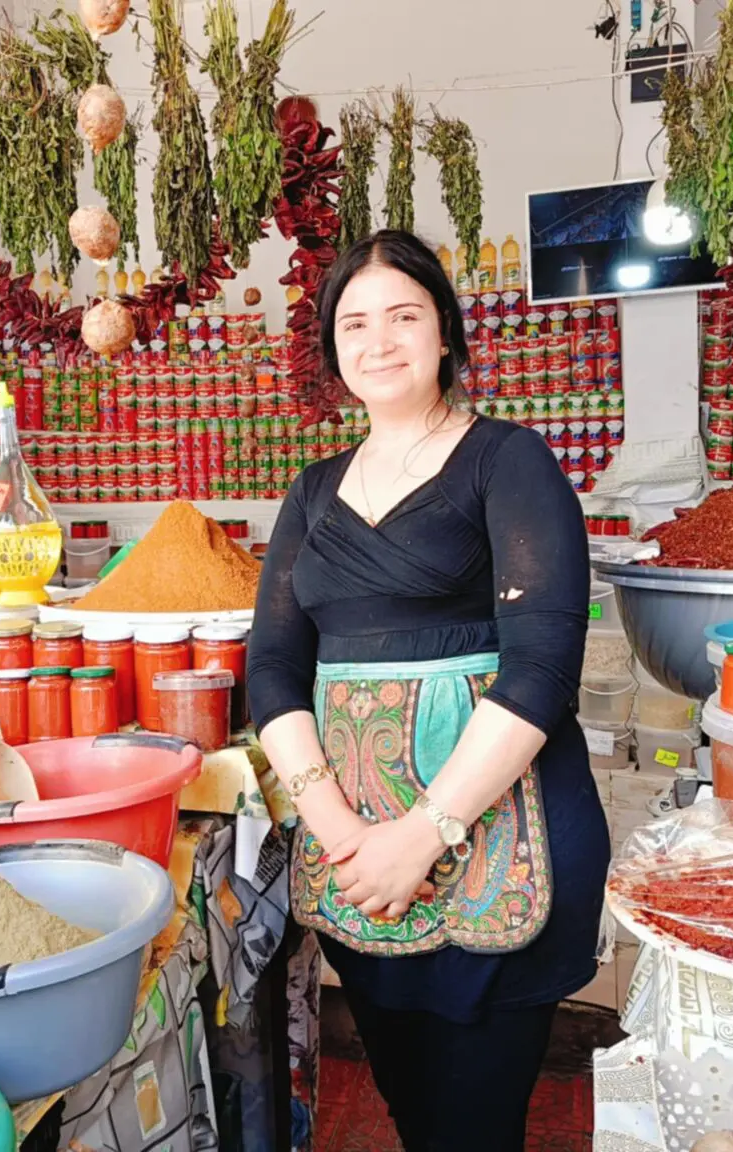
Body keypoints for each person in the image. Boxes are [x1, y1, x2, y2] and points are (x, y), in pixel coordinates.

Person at [247, 230, 610, 1151]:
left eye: (403, 316)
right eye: (354, 322)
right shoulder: (313, 492)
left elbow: (541, 669)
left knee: (476, 1125)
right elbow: (275, 666)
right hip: (358, 855)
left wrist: (424, 834)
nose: (379, 341)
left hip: (491, 830)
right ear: (333, 348)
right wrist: (342, 836)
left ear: (443, 331)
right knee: (413, 1111)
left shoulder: (508, 462)